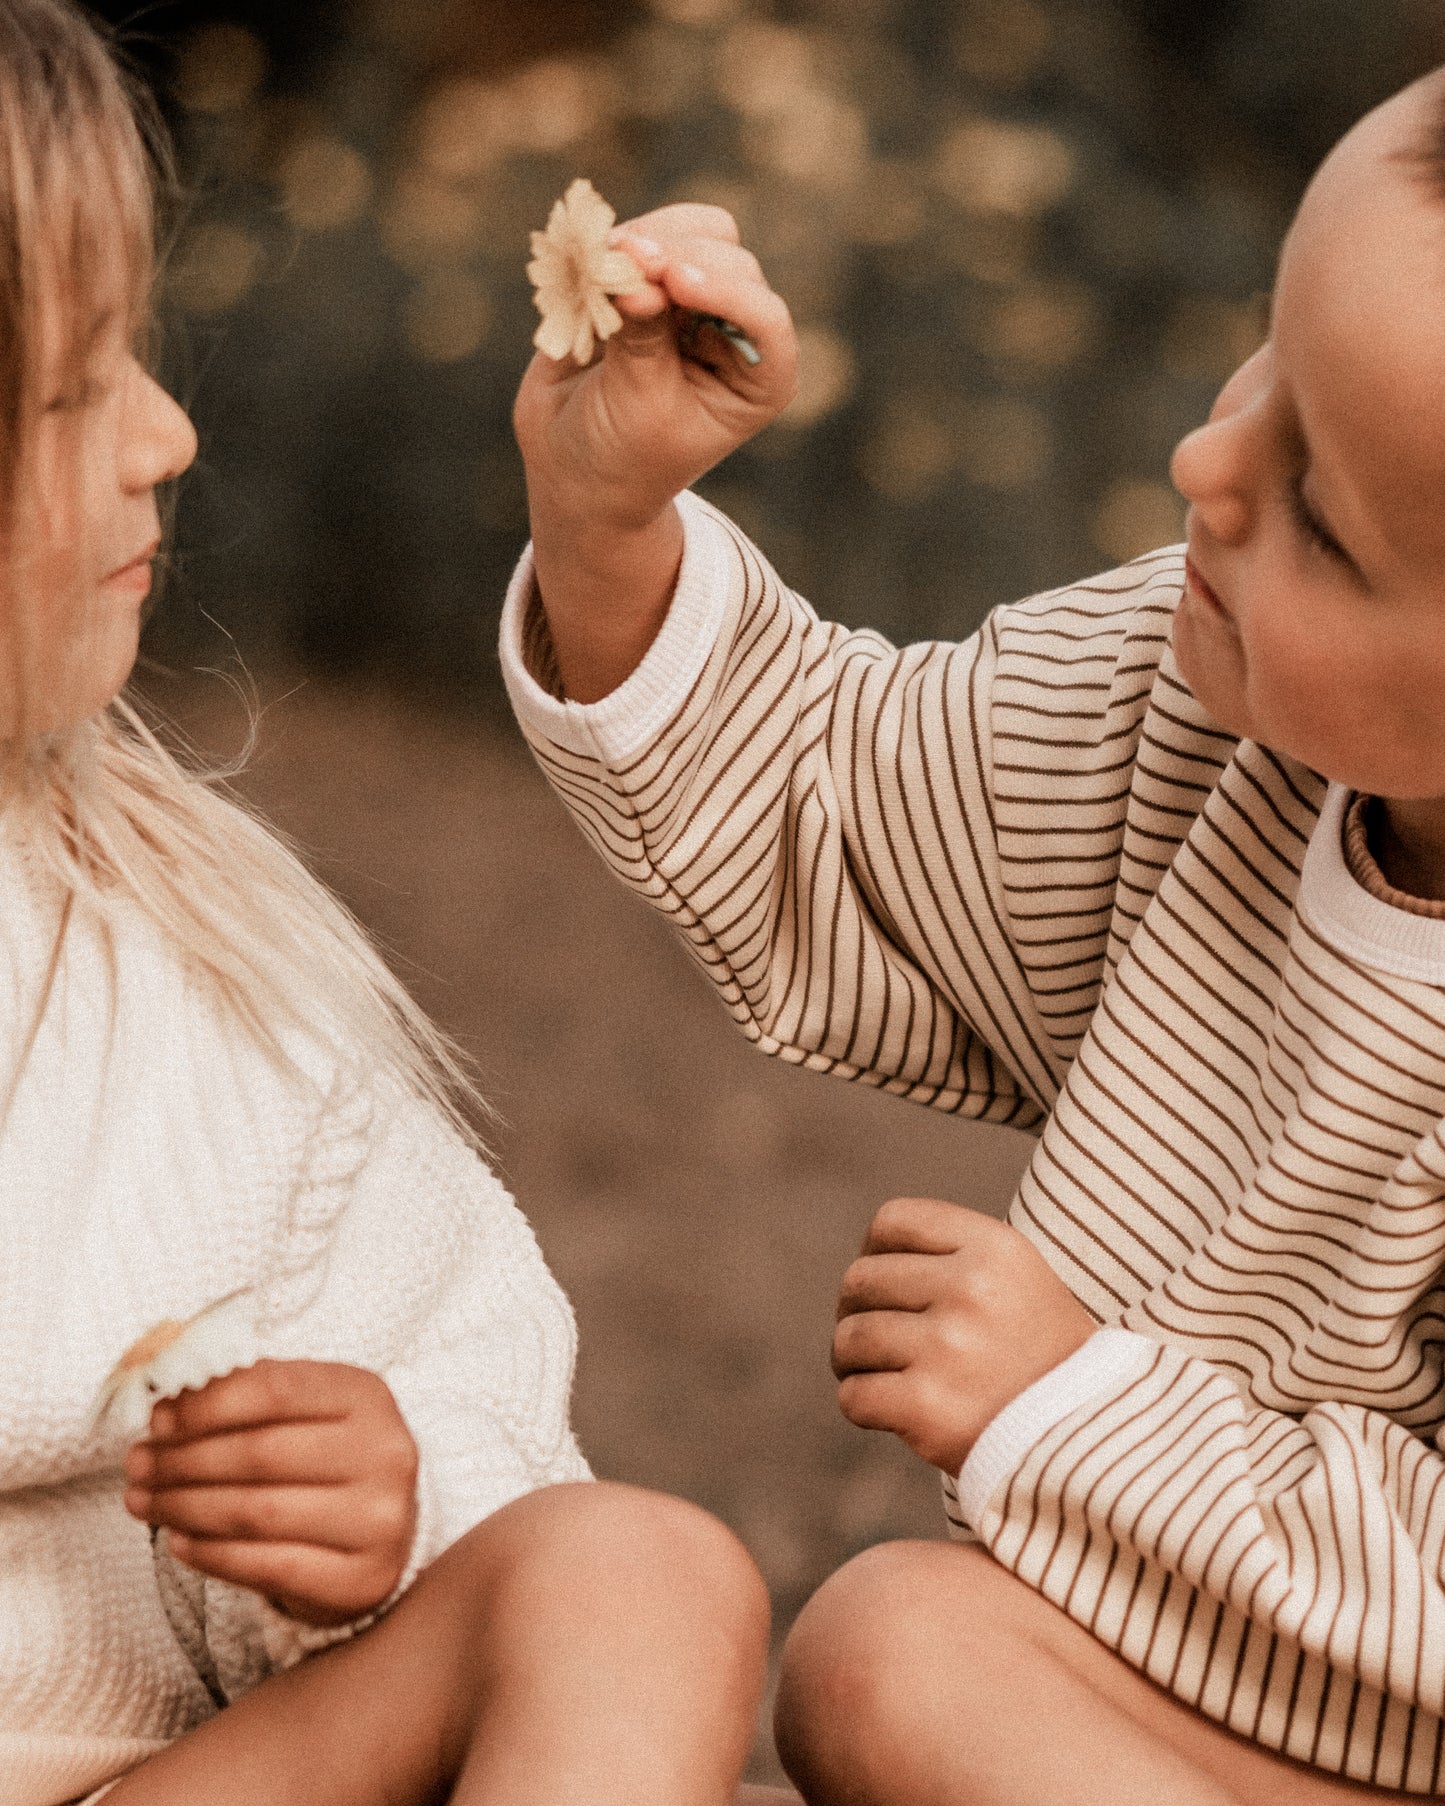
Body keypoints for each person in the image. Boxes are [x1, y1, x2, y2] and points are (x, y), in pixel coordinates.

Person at [505, 59, 1445, 1806]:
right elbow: (832, 802)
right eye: (1267, 368)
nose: (1205, 465)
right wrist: (607, 527)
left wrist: (1084, 1404)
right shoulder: (1201, 708)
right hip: (1222, 1700)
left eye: (1319, 508)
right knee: (891, 1655)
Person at [0, 4, 779, 1804]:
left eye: (144, 359)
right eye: (71, 390)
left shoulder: (187, 959)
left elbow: (463, 1379)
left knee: (636, 1576)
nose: (167, 434)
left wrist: (379, 1504)